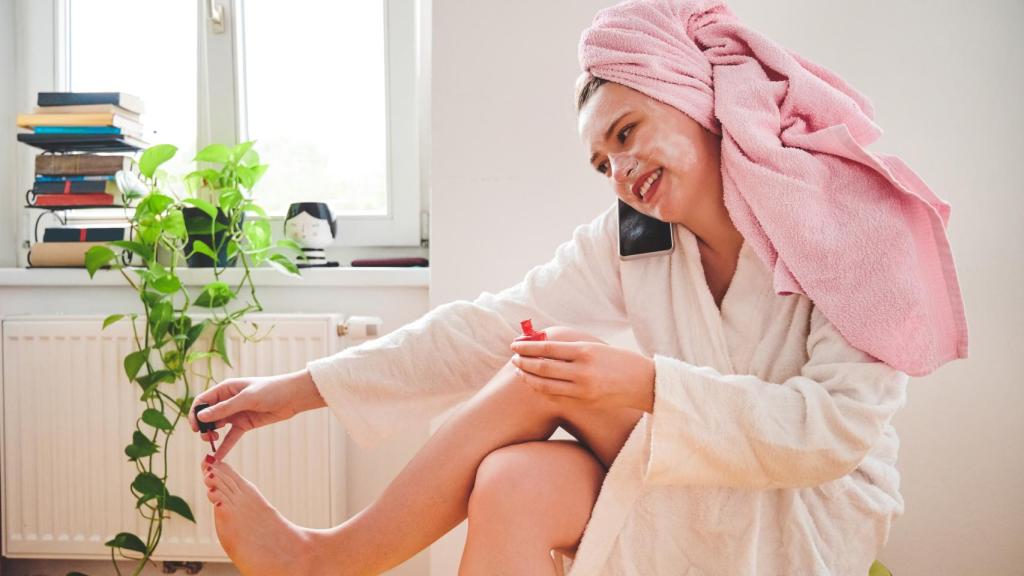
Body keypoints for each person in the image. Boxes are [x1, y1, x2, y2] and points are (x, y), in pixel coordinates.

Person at [190, 1, 967, 574]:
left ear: (693, 95)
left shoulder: (837, 219)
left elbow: (833, 433)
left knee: (546, 370)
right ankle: (324, 559)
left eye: (626, 133)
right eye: (602, 162)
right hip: (698, 471)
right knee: (515, 480)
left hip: (811, 507)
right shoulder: (634, 237)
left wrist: (649, 384)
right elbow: (486, 328)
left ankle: (330, 559)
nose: (620, 172)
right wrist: (297, 390)